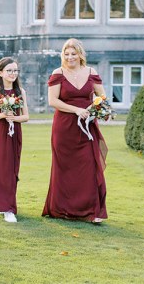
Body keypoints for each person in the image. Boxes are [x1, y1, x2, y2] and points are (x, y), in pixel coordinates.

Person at [43, 38, 108, 223]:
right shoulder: (58, 73)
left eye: (73, 53)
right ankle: (63, 209)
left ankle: (92, 212)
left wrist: (100, 111)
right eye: (66, 53)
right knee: (64, 168)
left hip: (87, 127)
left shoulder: (91, 72)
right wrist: (76, 109)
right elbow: (53, 101)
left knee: (89, 165)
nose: (70, 57)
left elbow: (101, 96)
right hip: (64, 127)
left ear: (80, 54)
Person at [0, 57, 29, 223]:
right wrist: (3, 115)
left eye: (15, 70)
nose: (13, 74)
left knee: (12, 168)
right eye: (9, 70)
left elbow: (26, 116)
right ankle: (3, 205)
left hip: (15, 131)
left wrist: (14, 119)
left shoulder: (20, 92)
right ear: (0, 72)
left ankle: (9, 206)